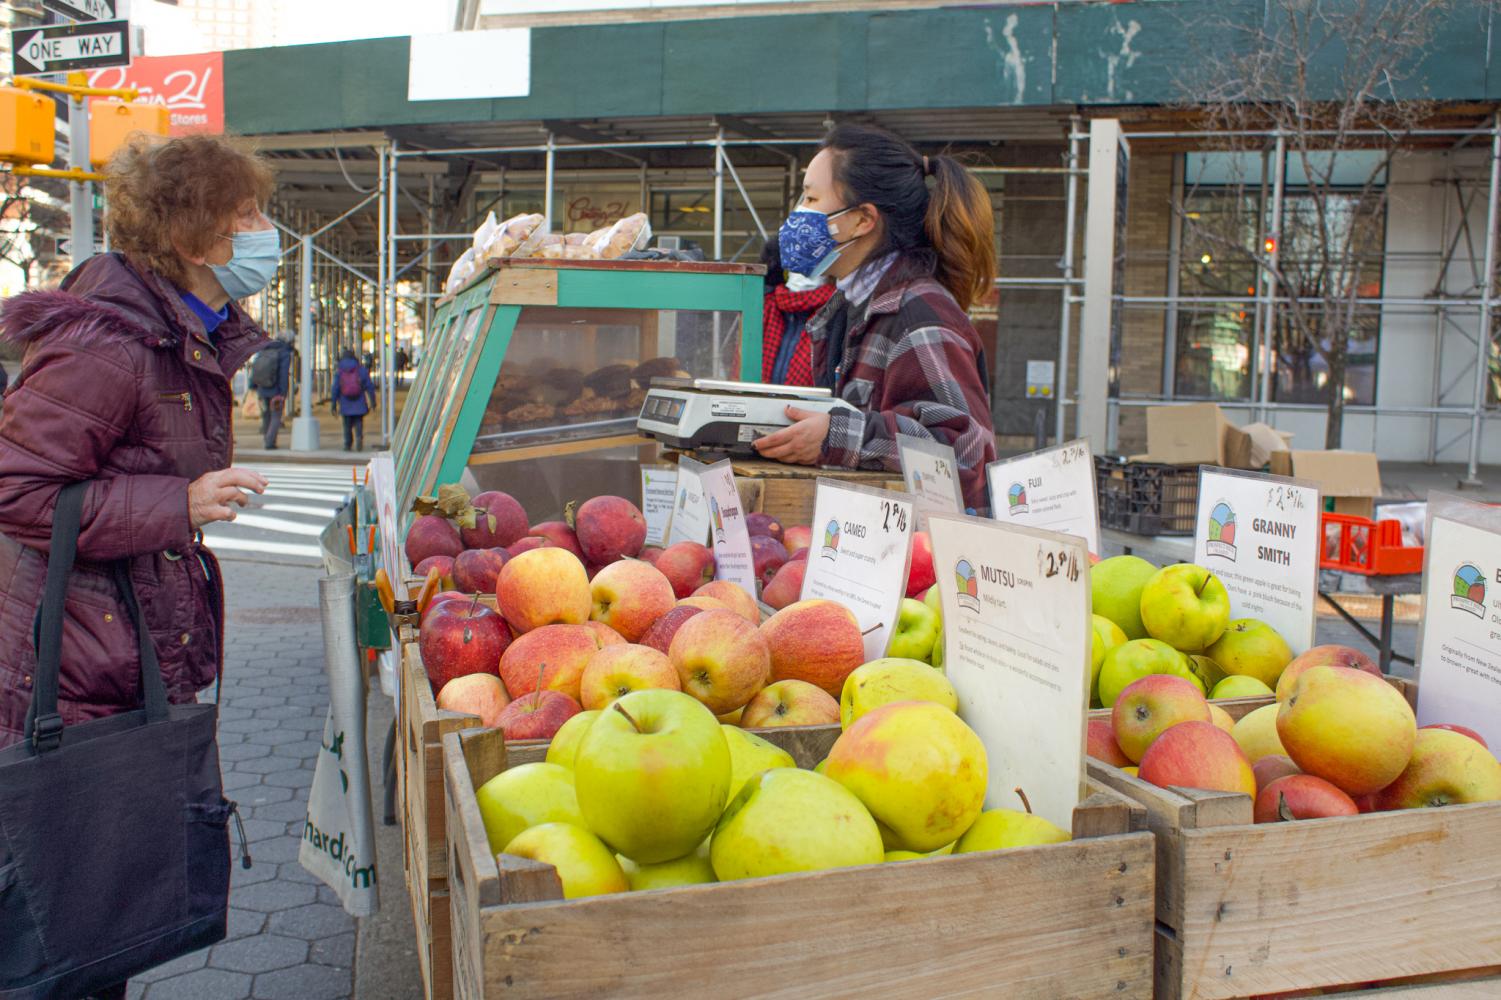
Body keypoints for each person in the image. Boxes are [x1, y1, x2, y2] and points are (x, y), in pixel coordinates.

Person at [0, 133, 275, 994]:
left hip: (114, 651)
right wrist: (177, 507)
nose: (266, 231)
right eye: (248, 216)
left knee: (95, 926)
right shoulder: (109, 343)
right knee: (69, 922)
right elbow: (15, 489)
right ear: (194, 241)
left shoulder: (178, 332)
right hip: (77, 661)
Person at [752, 125, 998, 512]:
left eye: (812, 198)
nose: (799, 214)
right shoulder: (848, 306)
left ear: (863, 219)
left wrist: (839, 435)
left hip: (924, 557)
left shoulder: (919, 315)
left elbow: (967, 454)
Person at [759, 235, 834, 387]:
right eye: (797, 257)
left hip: (812, 408)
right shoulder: (766, 307)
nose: (804, 268)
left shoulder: (837, 312)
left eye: (816, 260)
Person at [249, 331, 294, 449]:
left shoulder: (263, 349)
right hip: (276, 391)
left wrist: (252, 386)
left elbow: (255, 368)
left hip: (262, 389)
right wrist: (283, 393)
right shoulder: (284, 353)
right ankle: (270, 442)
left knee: (266, 416)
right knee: (276, 417)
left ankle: (266, 439)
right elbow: (283, 374)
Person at [333, 348, 377, 451]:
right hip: (359, 401)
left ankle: (348, 443)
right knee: (358, 421)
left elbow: (335, 388)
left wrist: (334, 404)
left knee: (346, 424)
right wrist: (372, 400)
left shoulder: (340, 371)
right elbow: (369, 386)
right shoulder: (360, 369)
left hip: (345, 402)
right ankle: (358, 437)